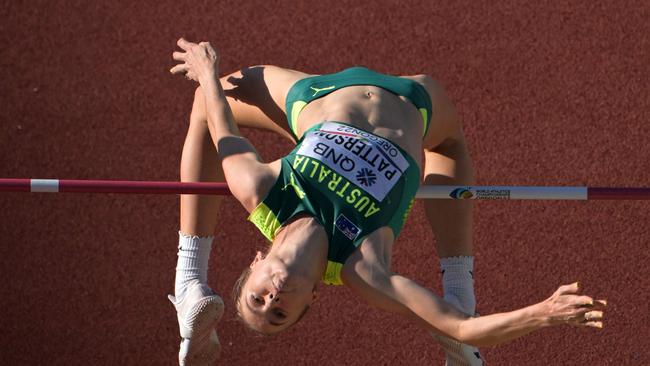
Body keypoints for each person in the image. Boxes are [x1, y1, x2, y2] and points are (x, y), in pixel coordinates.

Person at [166, 38, 606, 366]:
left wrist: (207, 72)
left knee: (208, 104)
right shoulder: (363, 268)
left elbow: (220, 121)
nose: (272, 298)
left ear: (256, 261)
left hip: (317, 96)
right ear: (311, 302)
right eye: (280, 312)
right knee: (449, 146)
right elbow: (463, 329)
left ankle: (189, 280)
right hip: (415, 101)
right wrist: (544, 314)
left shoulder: (261, 193)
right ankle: (460, 289)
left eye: (257, 298)